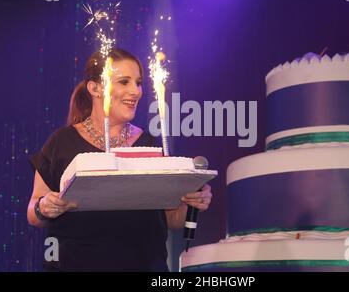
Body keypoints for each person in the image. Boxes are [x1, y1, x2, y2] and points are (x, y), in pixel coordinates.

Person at [27, 48, 212, 271]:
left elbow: (171, 219)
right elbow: (33, 213)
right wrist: (45, 207)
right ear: (95, 88)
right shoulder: (62, 142)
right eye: (124, 82)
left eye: (138, 82)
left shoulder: (151, 145)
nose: (135, 91)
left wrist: (192, 204)